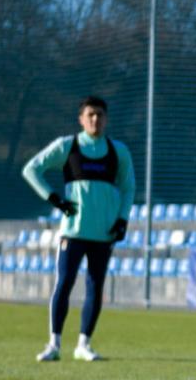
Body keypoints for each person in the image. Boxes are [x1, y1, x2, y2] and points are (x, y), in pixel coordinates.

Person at [22, 96, 135, 362]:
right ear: (81, 119)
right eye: (90, 114)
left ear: (106, 119)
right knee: (64, 283)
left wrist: (122, 219)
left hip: (104, 234)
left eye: (100, 115)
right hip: (72, 232)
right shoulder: (67, 146)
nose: (95, 119)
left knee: (95, 287)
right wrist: (54, 198)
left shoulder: (118, 151)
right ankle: (54, 344)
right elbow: (31, 169)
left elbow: (128, 187)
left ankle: (83, 345)